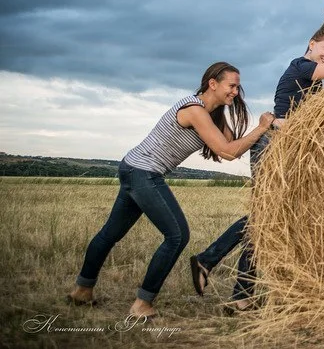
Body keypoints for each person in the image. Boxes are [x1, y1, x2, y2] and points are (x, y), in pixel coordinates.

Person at [67, 62, 275, 319]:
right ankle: (142, 303)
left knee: (110, 233)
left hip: (132, 167)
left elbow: (233, 147)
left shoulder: (211, 115)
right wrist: (262, 127)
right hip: (144, 172)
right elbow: (227, 151)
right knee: (177, 236)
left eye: (237, 87)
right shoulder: (193, 110)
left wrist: (255, 128)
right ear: (213, 83)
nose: (235, 91)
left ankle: (82, 290)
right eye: (231, 86)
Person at [190, 15, 324, 312]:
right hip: (270, 144)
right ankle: (208, 260)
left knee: (267, 219)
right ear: (311, 43)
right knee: (265, 216)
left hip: (283, 147)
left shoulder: (311, 78)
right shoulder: (301, 66)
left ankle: (242, 294)